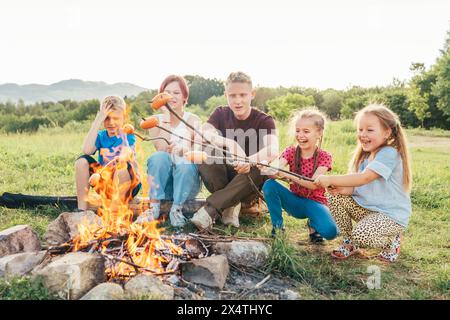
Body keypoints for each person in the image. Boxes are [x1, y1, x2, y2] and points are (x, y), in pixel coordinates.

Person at [314, 104, 412, 263]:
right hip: (369, 210)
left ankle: (391, 241)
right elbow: (356, 186)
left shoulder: (389, 153)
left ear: (387, 132)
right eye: (360, 130)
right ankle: (349, 241)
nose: (363, 134)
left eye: (370, 130)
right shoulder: (365, 157)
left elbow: (365, 178)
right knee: (335, 197)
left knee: (362, 235)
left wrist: (331, 178)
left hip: (390, 217)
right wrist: (340, 189)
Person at [190, 71, 279, 230]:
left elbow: (273, 149)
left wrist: (249, 161)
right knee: (206, 151)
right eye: (232, 96)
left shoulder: (265, 120)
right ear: (226, 95)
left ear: (252, 94)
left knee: (261, 166)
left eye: (243, 95)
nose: (238, 101)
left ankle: (211, 209)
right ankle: (230, 204)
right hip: (224, 178)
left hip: (248, 183)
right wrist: (230, 143)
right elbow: (203, 135)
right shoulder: (220, 113)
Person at [261, 108, 338, 241]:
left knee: (331, 233)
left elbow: (314, 184)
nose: (300, 135)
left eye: (306, 131)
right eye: (297, 131)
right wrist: (266, 167)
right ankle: (278, 228)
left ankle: (313, 223)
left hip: (315, 203)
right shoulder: (290, 151)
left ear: (319, 133)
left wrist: (289, 175)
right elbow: (275, 172)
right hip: (294, 201)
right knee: (269, 185)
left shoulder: (324, 157)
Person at [137, 75, 202, 228]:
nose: (171, 97)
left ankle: (177, 210)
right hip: (163, 185)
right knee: (159, 157)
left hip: (186, 184)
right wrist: (166, 116)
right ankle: (154, 208)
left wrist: (184, 150)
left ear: (185, 97)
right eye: (166, 93)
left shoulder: (193, 120)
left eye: (176, 93)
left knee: (186, 163)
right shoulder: (154, 121)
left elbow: (199, 152)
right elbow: (161, 148)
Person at [75, 95, 141, 212]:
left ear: (123, 118)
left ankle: (114, 215)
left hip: (127, 185)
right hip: (106, 184)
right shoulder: (101, 136)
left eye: (116, 118)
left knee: (122, 165)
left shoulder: (127, 133)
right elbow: (87, 150)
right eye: (107, 118)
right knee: (81, 161)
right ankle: (82, 210)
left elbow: (128, 152)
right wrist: (97, 121)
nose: (111, 123)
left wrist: (122, 157)